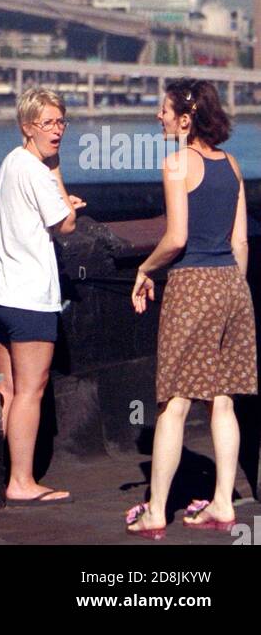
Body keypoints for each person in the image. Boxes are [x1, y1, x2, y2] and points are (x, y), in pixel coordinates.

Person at [125, 79, 257, 539]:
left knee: (174, 404)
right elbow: (239, 241)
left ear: (186, 118)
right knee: (223, 401)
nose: (158, 117)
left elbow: (176, 237)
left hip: (192, 284)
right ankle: (223, 503)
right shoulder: (234, 165)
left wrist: (144, 269)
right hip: (232, 287)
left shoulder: (177, 164)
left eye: (164, 110)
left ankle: (156, 511)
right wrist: (231, 288)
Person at [0, 87, 84, 505]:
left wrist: (58, 205)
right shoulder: (37, 169)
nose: (57, 130)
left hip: (0, 295)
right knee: (30, 390)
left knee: (6, 390)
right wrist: (61, 188)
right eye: (48, 123)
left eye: (61, 122)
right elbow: (66, 225)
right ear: (28, 126)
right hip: (29, 298)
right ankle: (21, 481)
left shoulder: (10, 163)